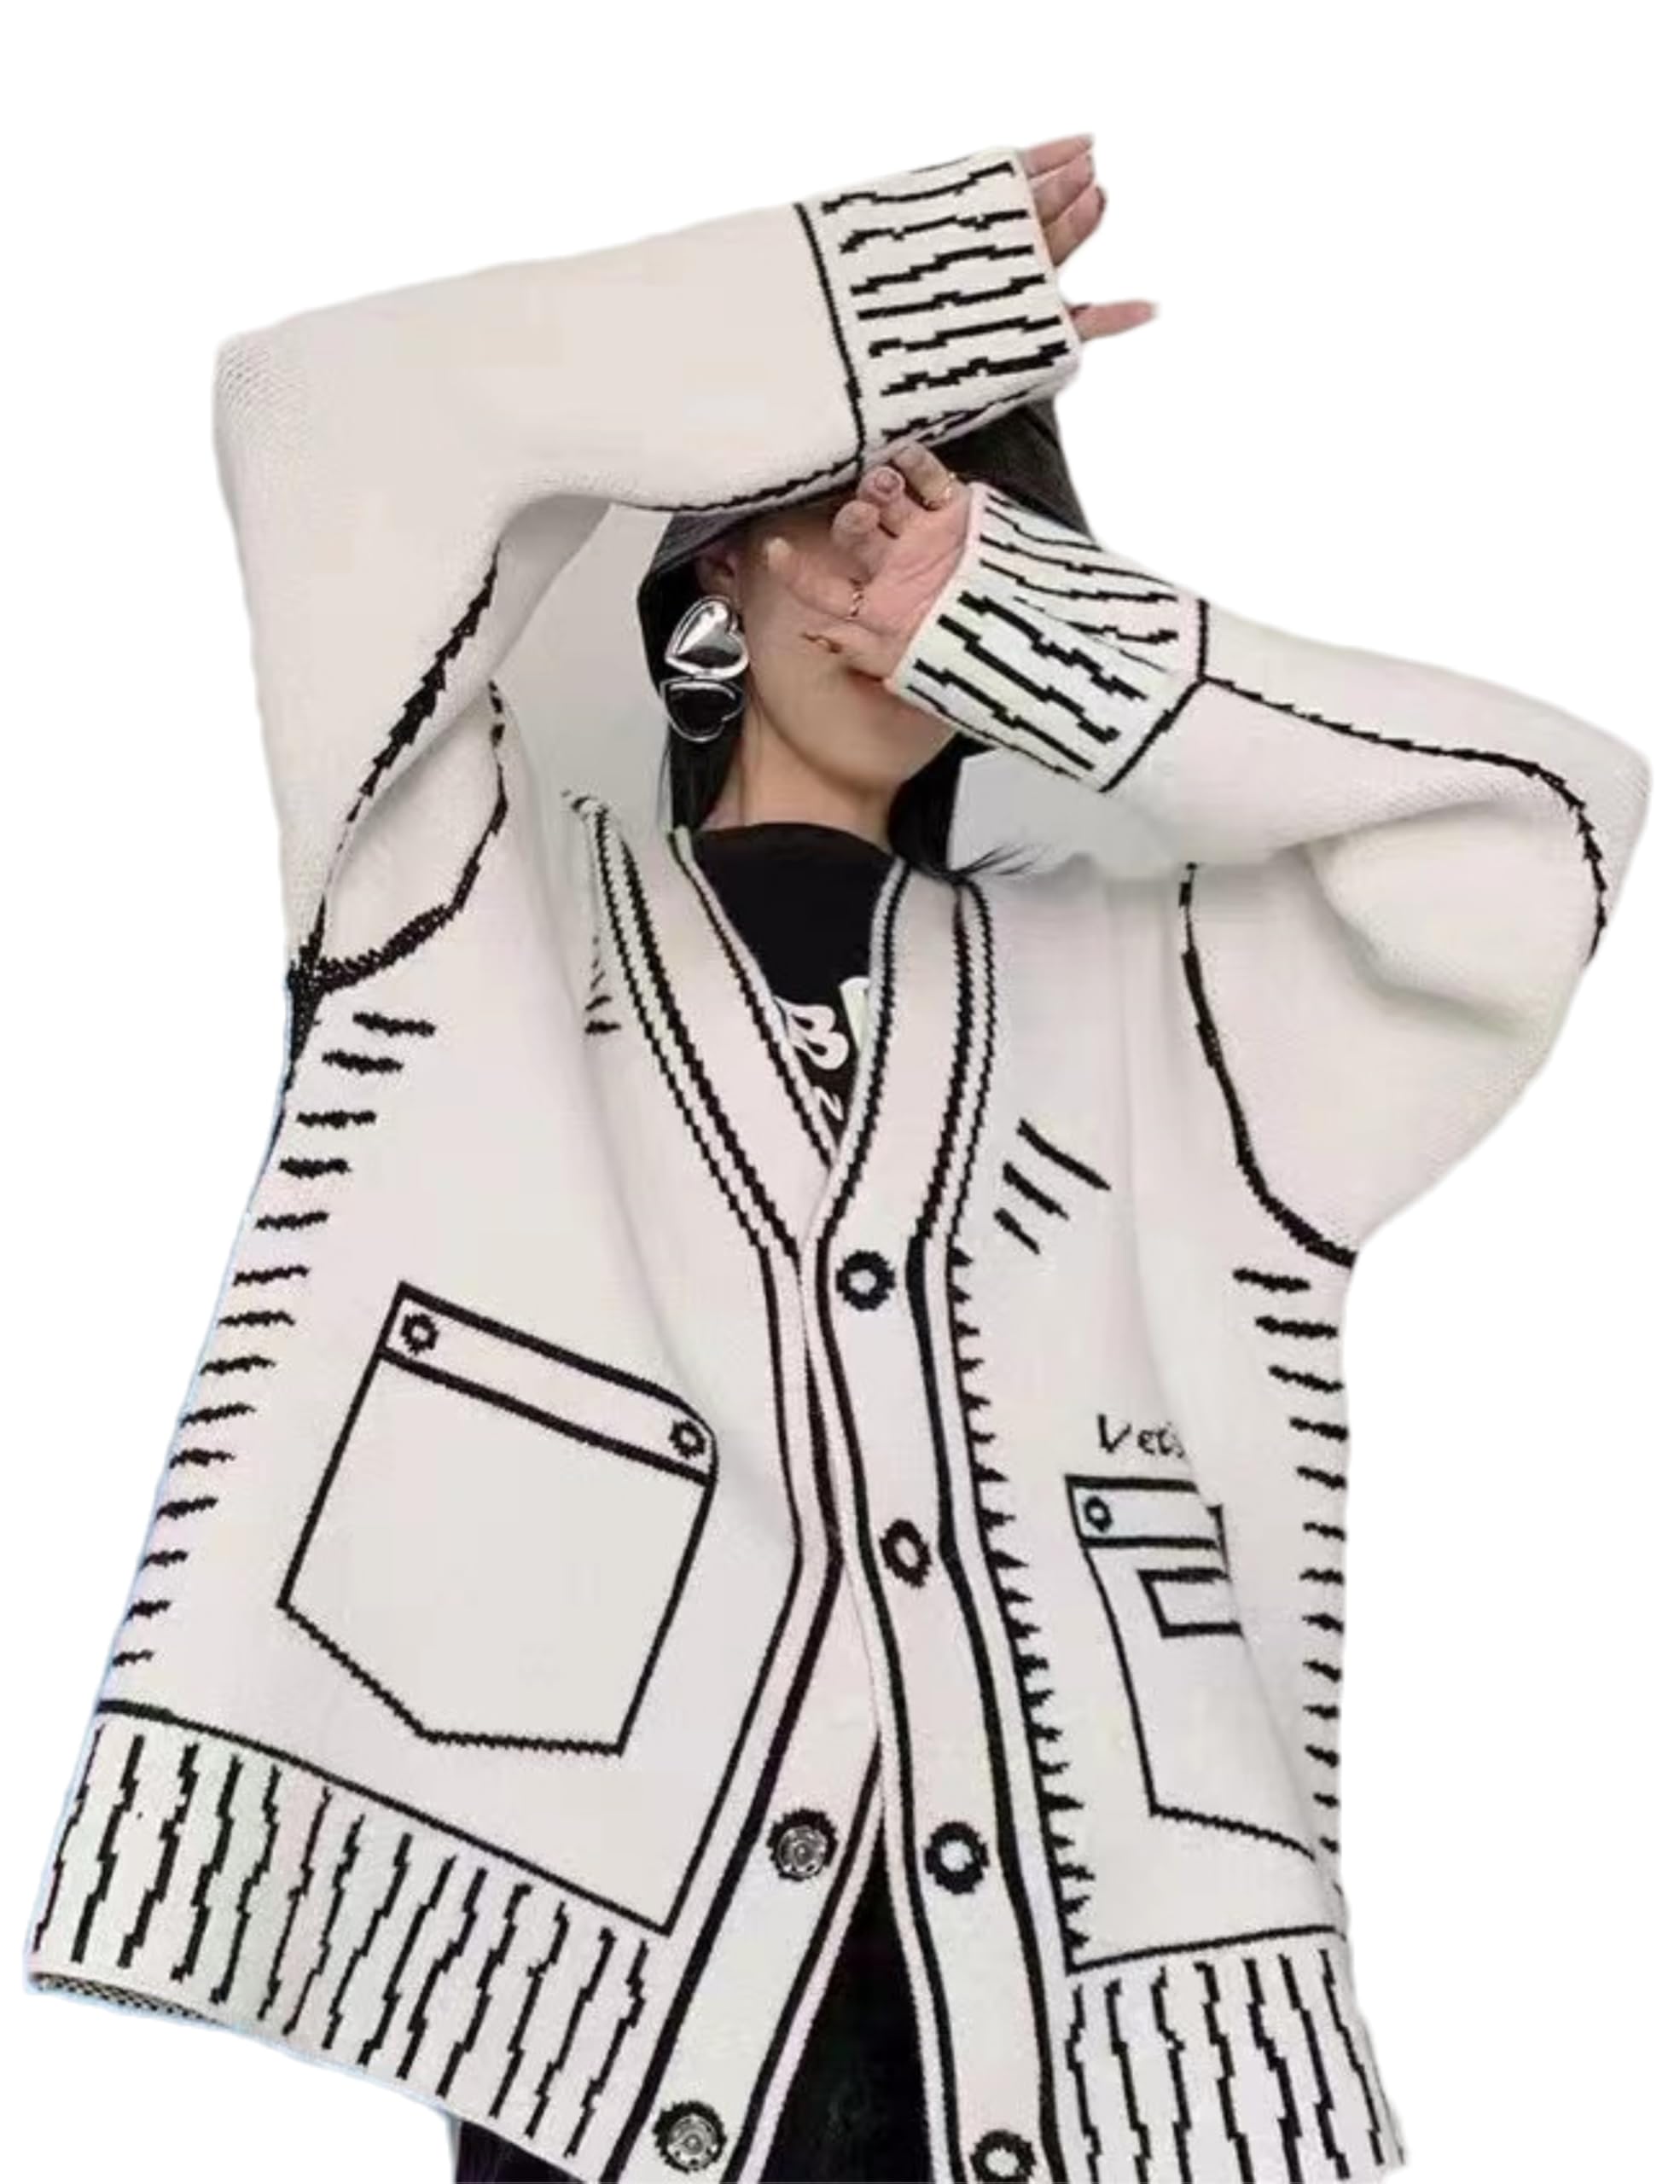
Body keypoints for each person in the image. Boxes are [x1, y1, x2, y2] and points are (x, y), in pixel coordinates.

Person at [26, 131, 1649, 2184]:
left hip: (1087, 2091)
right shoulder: (464, 918)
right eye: (831, 504)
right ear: (712, 560)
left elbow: (1539, 829)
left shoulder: (1171, 1008)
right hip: (598, 2060)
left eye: (950, 525)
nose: (881, 566)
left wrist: (1020, 623)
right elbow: (317, 407)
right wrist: (885, 291)